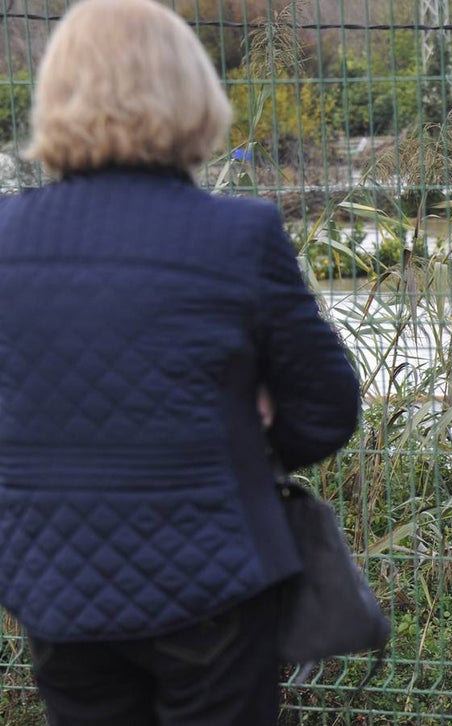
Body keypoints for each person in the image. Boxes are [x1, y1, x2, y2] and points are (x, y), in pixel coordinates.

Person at [0, 0, 361, 723]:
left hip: (57, 587)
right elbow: (326, 409)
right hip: (215, 584)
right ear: (192, 94)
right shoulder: (238, 233)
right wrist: (241, 442)